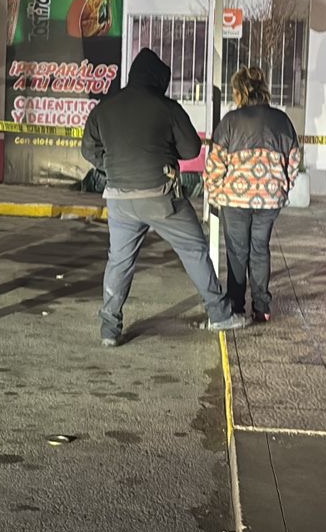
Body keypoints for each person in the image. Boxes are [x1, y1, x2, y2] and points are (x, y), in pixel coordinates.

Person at [81, 48, 248, 347]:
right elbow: (191, 149)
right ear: (159, 79)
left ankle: (109, 330)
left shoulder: (105, 108)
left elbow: (88, 150)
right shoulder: (168, 108)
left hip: (119, 199)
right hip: (161, 197)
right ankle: (220, 314)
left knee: (119, 262)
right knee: (194, 250)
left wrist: (112, 167)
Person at [205, 67, 302, 324]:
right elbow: (294, 161)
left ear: (239, 92)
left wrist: (214, 192)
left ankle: (236, 307)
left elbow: (215, 164)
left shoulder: (230, 121)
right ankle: (262, 307)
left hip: (234, 199)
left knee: (237, 252)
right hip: (269, 199)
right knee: (260, 249)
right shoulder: (282, 121)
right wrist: (282, 187)